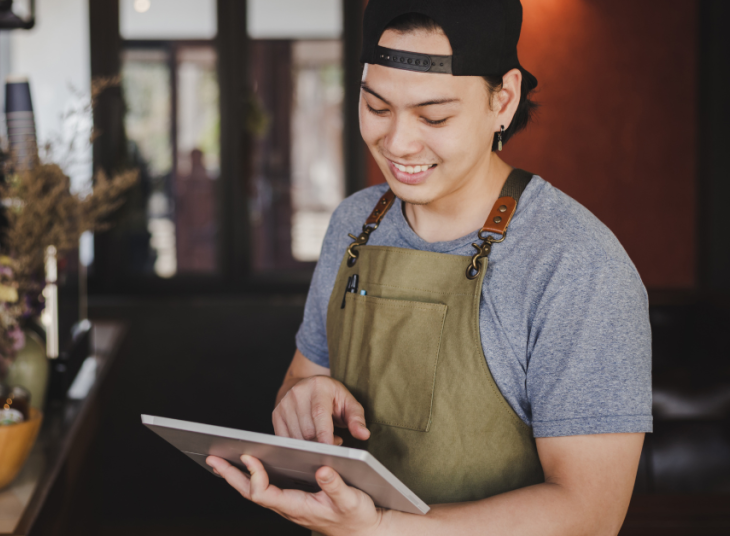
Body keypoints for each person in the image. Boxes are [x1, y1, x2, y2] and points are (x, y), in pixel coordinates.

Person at [207, 1, 652, 534]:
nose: (398, 143)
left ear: (503, 100)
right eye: (376, 107)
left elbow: (590, 513)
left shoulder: (575, 262)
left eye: (434, 117)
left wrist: (381, 529)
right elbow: (302, 379)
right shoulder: (355, 223)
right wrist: (302, 402)